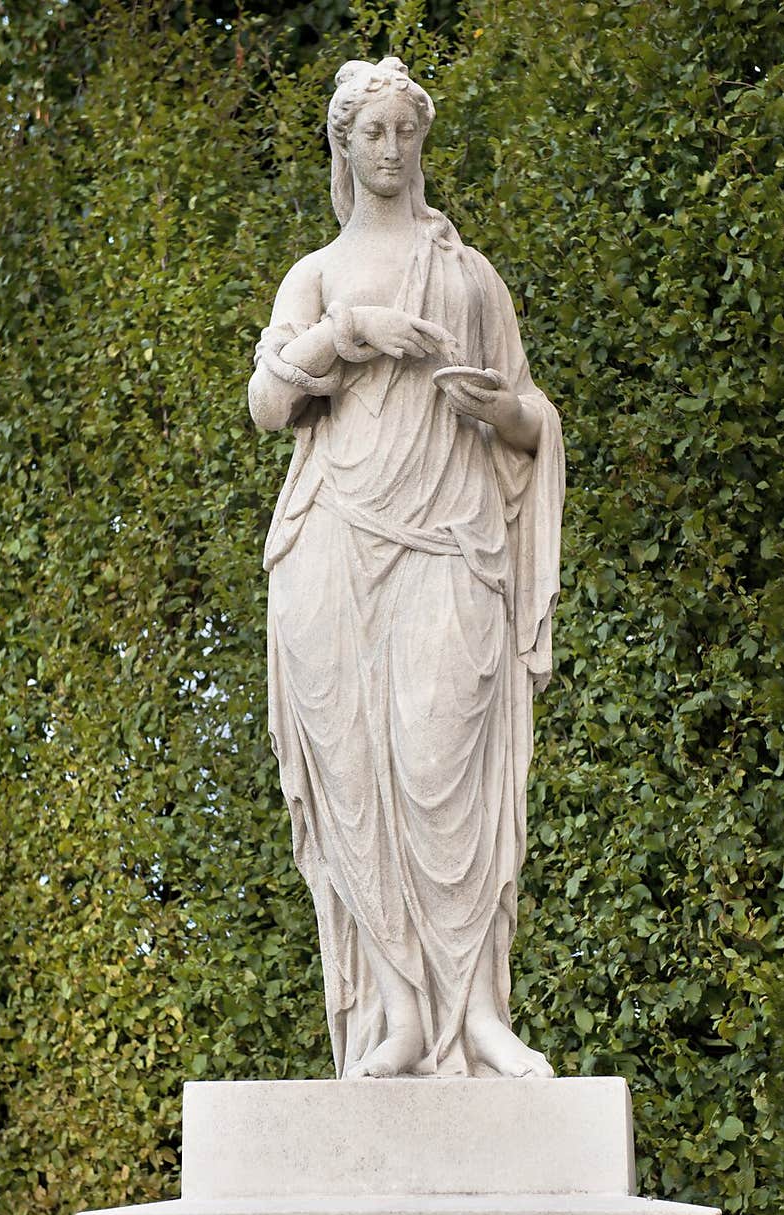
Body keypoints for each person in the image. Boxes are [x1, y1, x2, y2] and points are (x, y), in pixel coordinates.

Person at [248, 56, 565, 1079]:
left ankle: (476, 1014)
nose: (388, 151)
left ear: (422, 140)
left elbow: (528, 413)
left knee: (443, 774)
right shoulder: (318, 274)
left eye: (402, 132)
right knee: (358, 783)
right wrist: (348, 336)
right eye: (368, 134)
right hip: (334, 538)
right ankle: (398, 1014)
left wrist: (500, 413)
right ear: (341, 145)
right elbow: (266, 404)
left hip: (452, 537)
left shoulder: (471, 277)